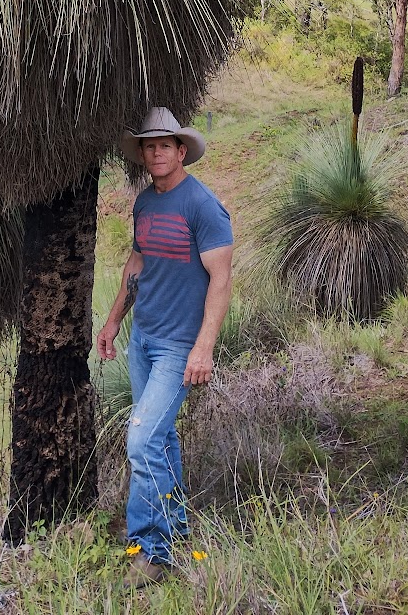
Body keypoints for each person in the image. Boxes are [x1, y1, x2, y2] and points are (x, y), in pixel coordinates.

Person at [97, 106, 233, 588]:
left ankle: (147, 551)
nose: (156, 153)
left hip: (179, 347)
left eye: (164, 146)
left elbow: (221, 278)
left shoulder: (202, 205)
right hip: (144, 341)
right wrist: (114, 321)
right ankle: (175, 535)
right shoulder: (145, 204)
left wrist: (203, 347)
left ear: (181, 152)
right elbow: (137, 265)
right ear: (143, 154)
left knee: (140, 440)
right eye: (148, 146)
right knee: (162, 439)